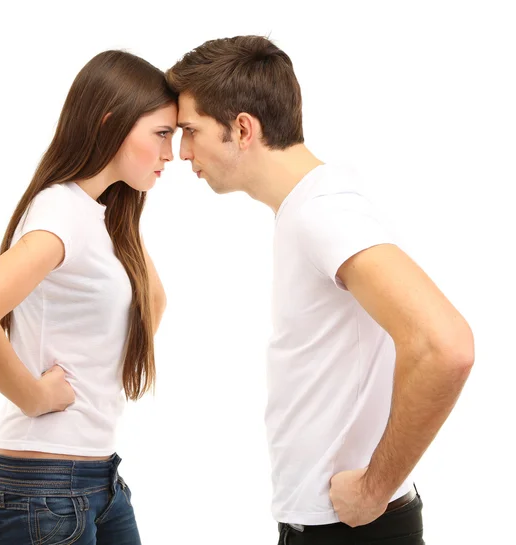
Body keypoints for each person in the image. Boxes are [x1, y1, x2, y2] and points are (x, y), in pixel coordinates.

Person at [166, 35, 474, 545]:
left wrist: (375, 489)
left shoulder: (322, 211)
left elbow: (447, 347)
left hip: (352, 530)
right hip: (328, 526)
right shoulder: (308, 208)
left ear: (242, 128)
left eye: (190, 131)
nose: (181, 152)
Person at [0, 50, 177, 544]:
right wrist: (35, 396)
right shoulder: (61, 211)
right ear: (111, 123)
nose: (170, 154)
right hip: (43, 490)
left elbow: (152, 300)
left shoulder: (98, 214)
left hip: (99, 481)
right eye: (161, 133)